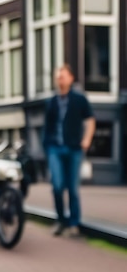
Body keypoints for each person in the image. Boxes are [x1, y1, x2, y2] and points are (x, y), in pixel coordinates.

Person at [43, 64, 96, 237]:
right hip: (54, 148)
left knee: (73, 188)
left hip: (74, 148)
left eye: (63, 76)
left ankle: (74, 223)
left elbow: (90, 120)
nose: (60, 79)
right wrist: (47, 145)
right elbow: (47, 126)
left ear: (71, 78)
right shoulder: (51, 102)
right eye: (58, 76)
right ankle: (60, 220)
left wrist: (86, 139)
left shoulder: (79, 99)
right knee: (57, 186)